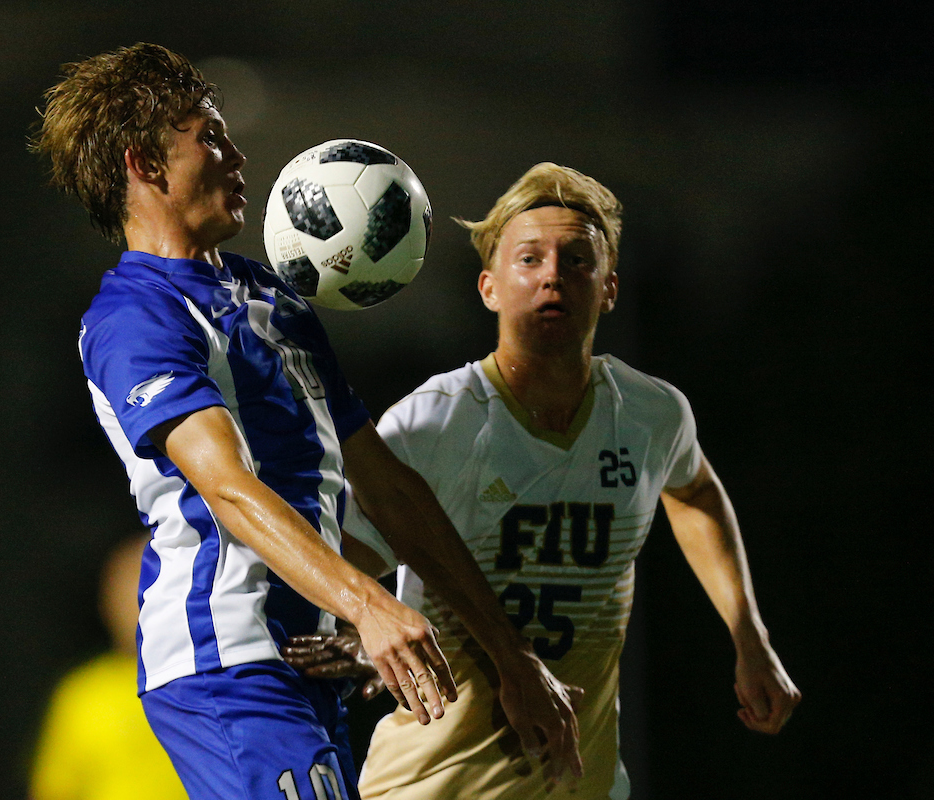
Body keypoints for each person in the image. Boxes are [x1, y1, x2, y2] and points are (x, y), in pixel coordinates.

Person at [30, 44, 584, 800]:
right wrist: (367, 602)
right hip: (224, 663)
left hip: (304, 660)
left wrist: (509, 658)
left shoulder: (271, 301)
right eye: (209, 136)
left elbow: (388, 487)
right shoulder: (137, 315)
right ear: (145, 165)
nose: (235, 155)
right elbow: (225, 487)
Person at [287, 163, 802, 799]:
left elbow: (694, 492)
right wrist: (359, 627)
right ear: (489, 288)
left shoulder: (649, 413)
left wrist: (749, 638)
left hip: (581, 784)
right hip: (437, 786)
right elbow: (343, 566)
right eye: (529, 259)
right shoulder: (435, 422)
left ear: (609, 287)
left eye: (577, 259)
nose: (553, 274)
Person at [30, 533, 187, 800]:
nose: (139, 603)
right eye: (127, 587)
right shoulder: (84, 694)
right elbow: (54, 789)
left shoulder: (225, 680)